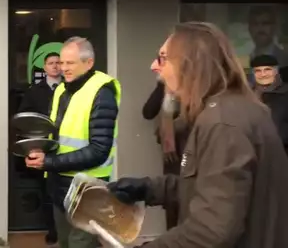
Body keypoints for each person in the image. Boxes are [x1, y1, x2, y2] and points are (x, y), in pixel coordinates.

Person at [108, 22, 288, 248]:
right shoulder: (224, 110)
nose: (154, 66)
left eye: (163, 58)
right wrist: (149, 188)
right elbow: (211, 188)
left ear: (191, 64)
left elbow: (210, 230)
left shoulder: (223, 123)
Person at [25, 36, 120, 248]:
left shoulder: (102, 93)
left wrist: (49, 162)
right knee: (66, 243)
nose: (63, 68)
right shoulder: (61, 89)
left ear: (89, 63)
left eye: (70, 63)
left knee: (81, 245)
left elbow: (99, 150)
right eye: (61, 62)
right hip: (60, 185)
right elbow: (56, 132)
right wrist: (37, 146)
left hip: (87, 189)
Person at [17, 51, 61, 246]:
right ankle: (52, 231)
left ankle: (65, 230)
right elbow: (23, 117)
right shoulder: (34, 91)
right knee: (47, 192)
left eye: (58, 62)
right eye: (51, 63)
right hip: (42, 145)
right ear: (44, 68)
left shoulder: (70, 89)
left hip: (65, 146)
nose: (55, 66)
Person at [141, 76, 188, 230]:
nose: (155, 65)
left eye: (165, 58)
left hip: (190, 152)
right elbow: (148, 112)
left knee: (187, 203)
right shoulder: (165, 87)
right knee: (171, 204)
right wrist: (162, 86)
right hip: (171, 156)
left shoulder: (192, 87)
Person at [250, 54, 288, 155]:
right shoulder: (246, 95)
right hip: (253, 153)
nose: (263, 74)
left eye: (267, 69)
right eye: (258, 71)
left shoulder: (285, 94)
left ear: (276, 71)